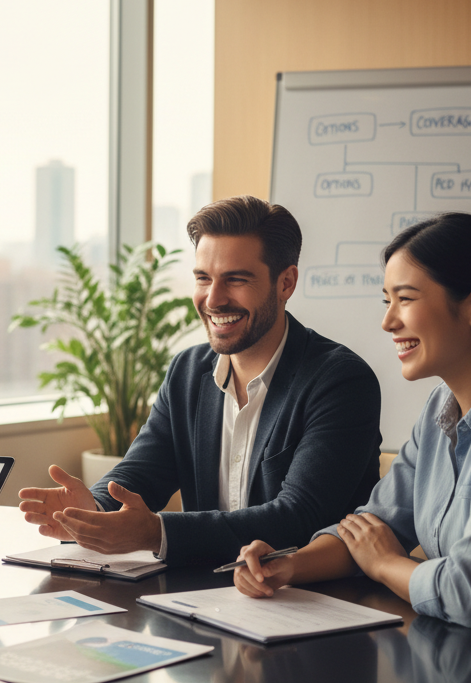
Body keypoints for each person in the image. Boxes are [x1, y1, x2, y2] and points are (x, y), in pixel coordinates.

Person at [19, 196, 381, 565]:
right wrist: (93, 508)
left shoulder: (341, 381)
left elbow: (299, 517)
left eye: (236, 280)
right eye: (203, 278)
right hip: (205, 597)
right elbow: (142, 472)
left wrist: (157, 532)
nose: (214, 299)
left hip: (311, 600)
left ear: (285, 282)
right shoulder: (188, 371)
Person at [234, 213, 471, 628]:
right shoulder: (441, 407)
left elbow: (469, 594)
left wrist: (384, 564)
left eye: (406, 299)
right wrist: (287, 566)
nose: (388, 321)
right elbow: (375, 525)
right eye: (387, 301)